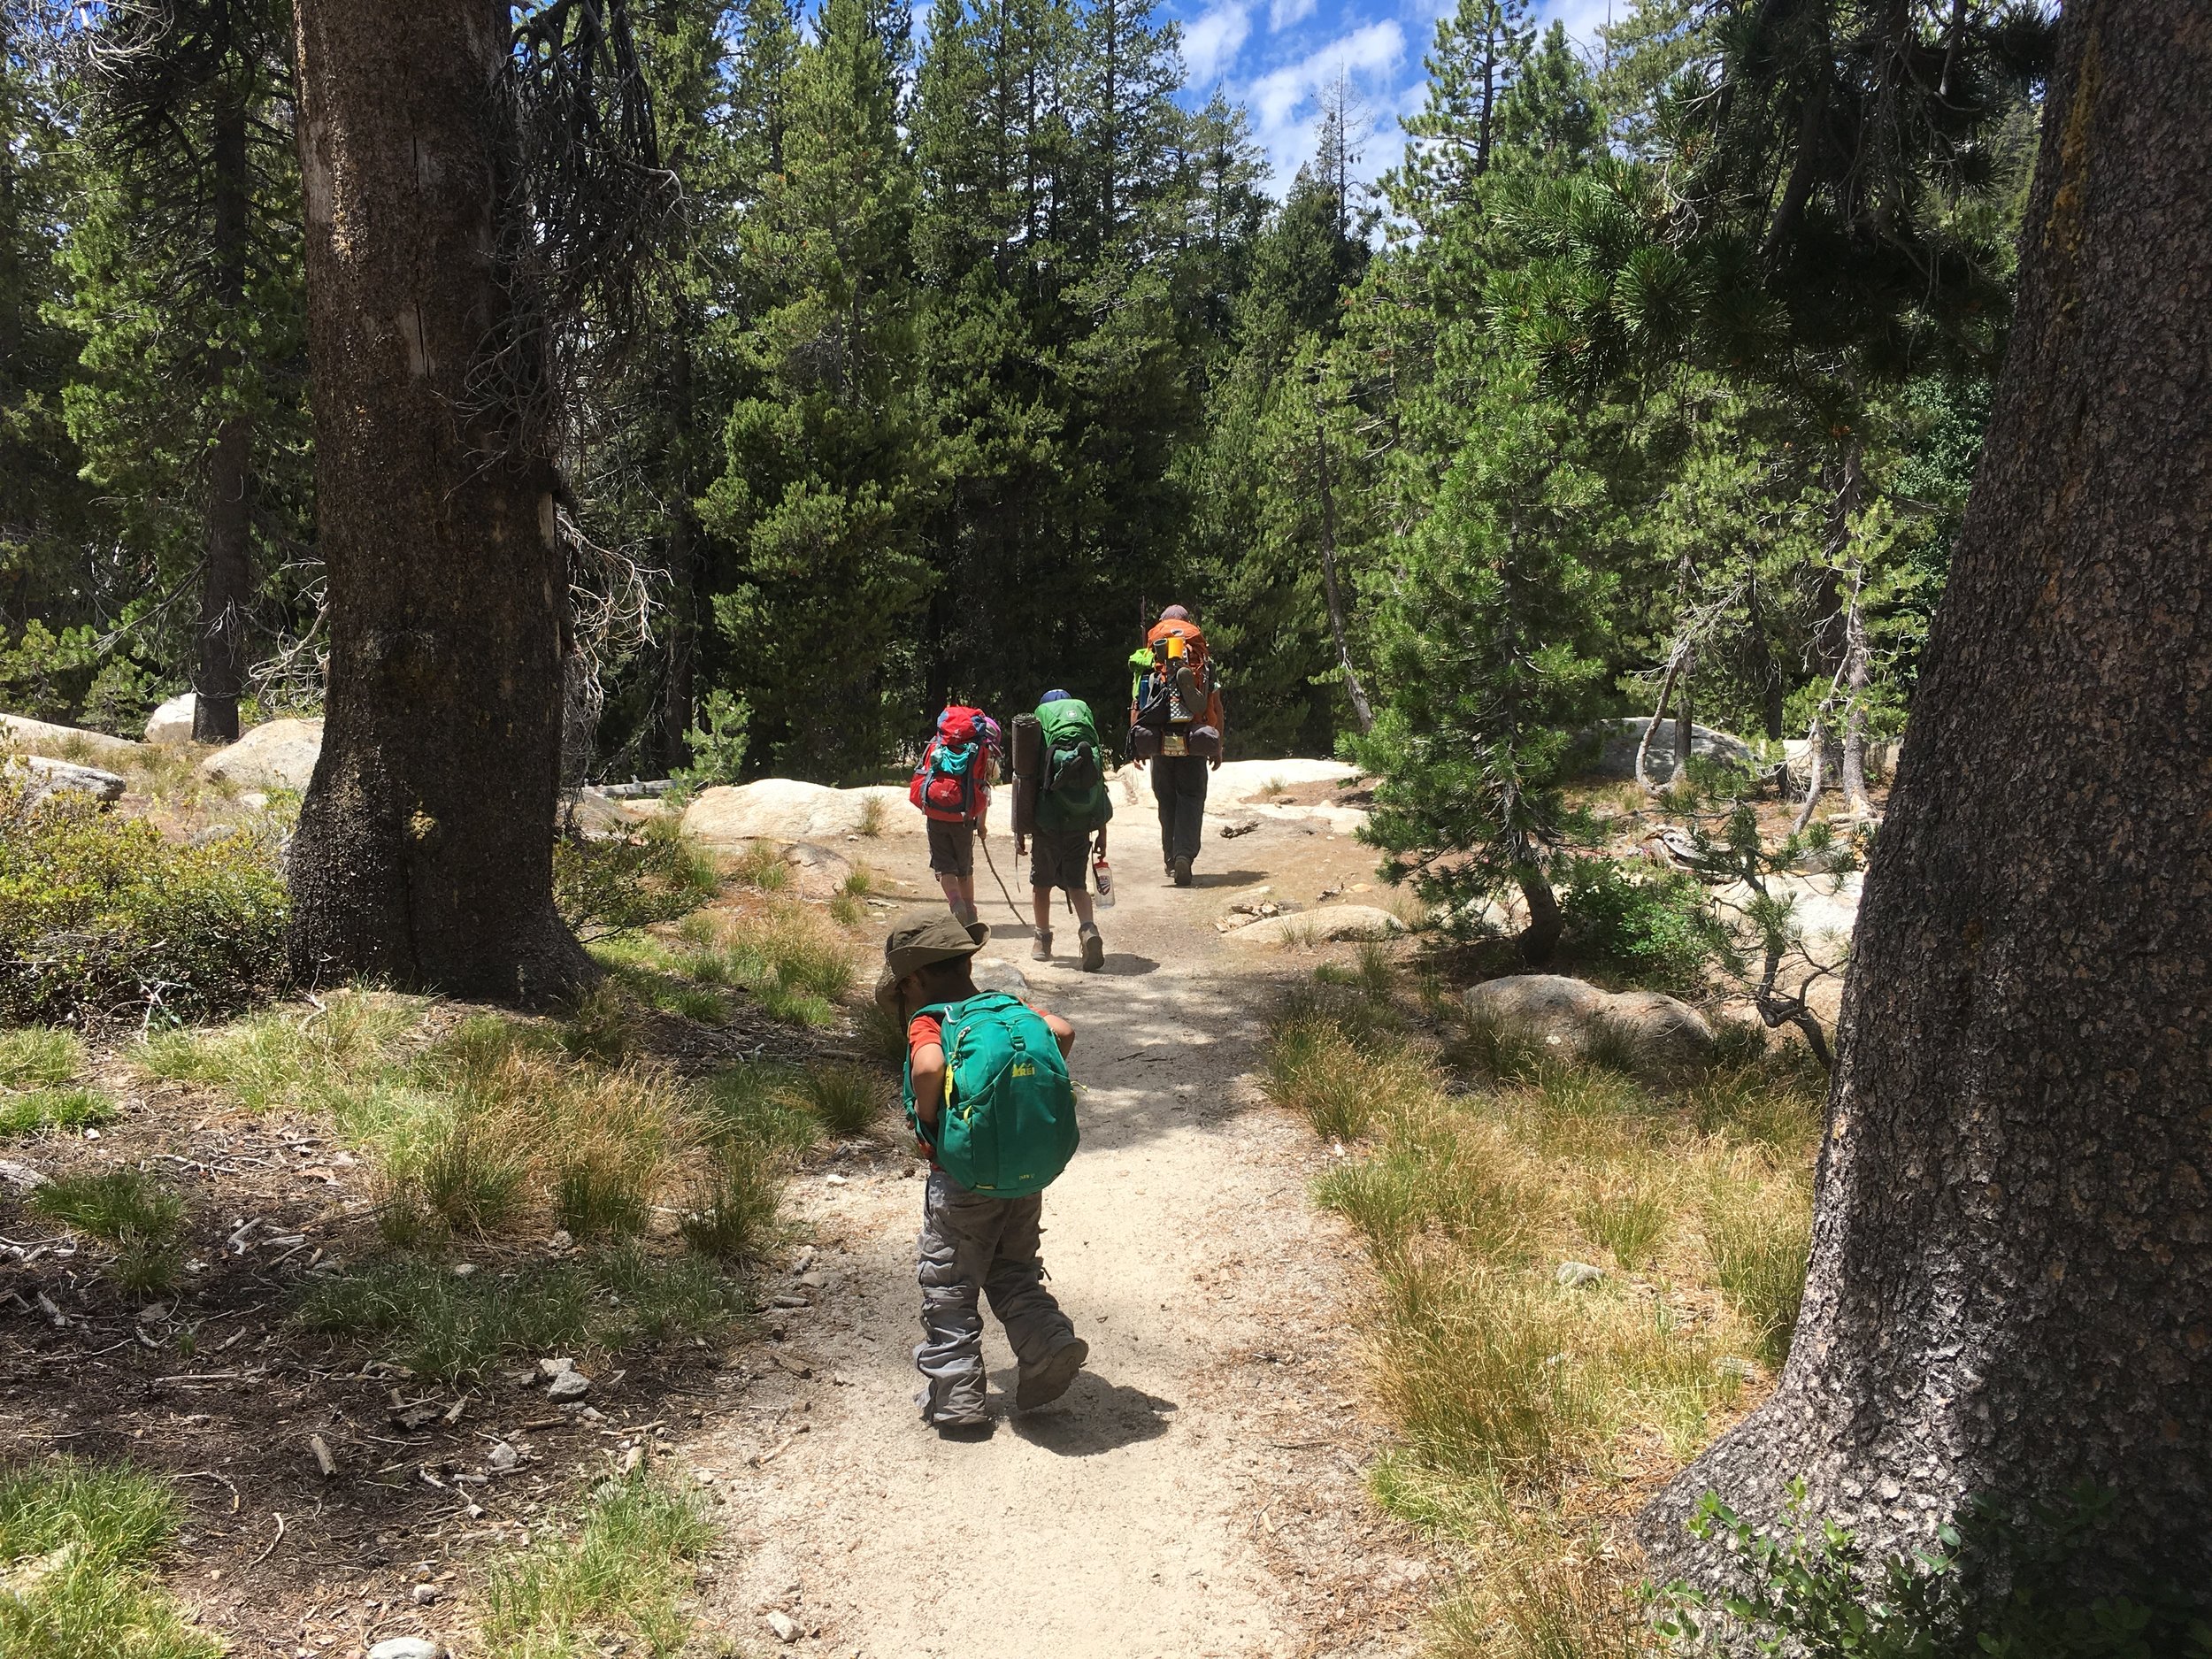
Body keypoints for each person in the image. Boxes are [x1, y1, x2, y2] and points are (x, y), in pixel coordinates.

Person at [875, 915, 1089, 1433]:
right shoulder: (1009, 1007)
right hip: (1022, 1175)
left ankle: (956, 1401)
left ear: (913, 981)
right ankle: (1048, 1343)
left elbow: (927, 1068)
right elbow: (1062, 1031)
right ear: (967, 961)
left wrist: (931, 1120)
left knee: (950, 1283)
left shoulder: (931, 1020)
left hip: (962, 1179)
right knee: (1014, 1268)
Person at [1128, 605, 1225, 887]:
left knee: (1167, 800)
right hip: (1194, 736)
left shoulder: (1148, 658)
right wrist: (1217, 744)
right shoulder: (1203, 658)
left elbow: (1137, 702)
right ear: (1188, 624)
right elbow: (1215, 704)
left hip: (1158, 738)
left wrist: (1137, 743)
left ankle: (1171, 859)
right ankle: (1184, 855)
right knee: (1191, 798)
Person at [1015, 689, 1110, 971]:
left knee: (1041, 884)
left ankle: (1042, 938)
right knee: (1077, 884)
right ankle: (1088, 930)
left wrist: (1020, 831)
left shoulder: (1040, 733)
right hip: (1080, 825)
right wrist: (1102, 834)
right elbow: (1099, 787)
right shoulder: (1085, 734)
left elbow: (1026, 782)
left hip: (1048, 824)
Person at [909, 704, 999, 928]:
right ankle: (970, 910)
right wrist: (982, 824)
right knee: (964, 868)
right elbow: (983, 790)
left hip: (936, 811)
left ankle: (955, 903)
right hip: (963, 817)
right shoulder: (981, 751)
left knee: (944, 867)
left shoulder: (938, 742)